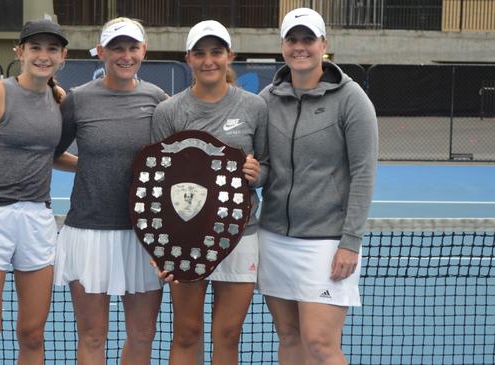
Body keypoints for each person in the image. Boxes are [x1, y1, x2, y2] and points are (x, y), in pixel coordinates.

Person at [257, 8, 378, 365]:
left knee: (321, 345)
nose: (300, 47)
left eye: (308, 39)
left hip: (326, 243)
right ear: (282, 46)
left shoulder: (351, 99)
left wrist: (350, 242)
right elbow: (266, 168)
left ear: (323, 44)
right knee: (290, 338)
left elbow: (364, 173)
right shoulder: (266, 99)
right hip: (275, 238)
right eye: (292, 39)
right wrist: (255, 174)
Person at [0, 19, 75, 364]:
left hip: (38, 220)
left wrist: (86, 164)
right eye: (35, 47)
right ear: (20, 52)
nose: (43, 55)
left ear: (62, 56)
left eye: (52, 49)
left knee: (33, 334)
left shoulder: (60, 99)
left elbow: (50, 155)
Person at [152, 20, 269, 365]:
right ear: (188, 58)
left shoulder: (254, 107)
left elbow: (268, 167)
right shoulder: (168, 112)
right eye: (199, 53)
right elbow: (156, 183)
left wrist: (258, 174)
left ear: (229, 55)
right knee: (187, 332)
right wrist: (160, 244)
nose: (208, 61)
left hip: (240, 234)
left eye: (216, 52)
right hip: (183, 238)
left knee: (228, 335)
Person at [52, 18, 167, 365]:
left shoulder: (159, 100)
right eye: (117, 47)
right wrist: (84, 166)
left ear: (143, 51)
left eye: (133, 47)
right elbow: (50, 152)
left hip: (144, 235)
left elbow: (175, 162)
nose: (125, 55)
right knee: (92, 335)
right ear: (101, 52)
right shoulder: (78, 101)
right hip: (88, 232)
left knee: (143, 334)